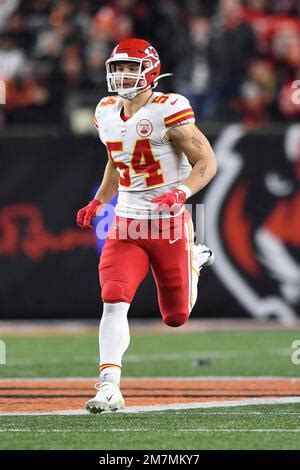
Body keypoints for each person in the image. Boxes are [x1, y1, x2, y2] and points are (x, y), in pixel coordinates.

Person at [76, 38, 217, 413]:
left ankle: (194, 259)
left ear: (150, 71)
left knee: (175, 316)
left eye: (130, 67)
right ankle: (109, 385)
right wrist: (98, 201)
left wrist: (182, 192)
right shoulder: (106, 110)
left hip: (169, 226)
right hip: (127, 222)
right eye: (117, 67)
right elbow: (116, 161)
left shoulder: (170, 109)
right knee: (113, 298)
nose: (122, 75)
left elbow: (207, 161)